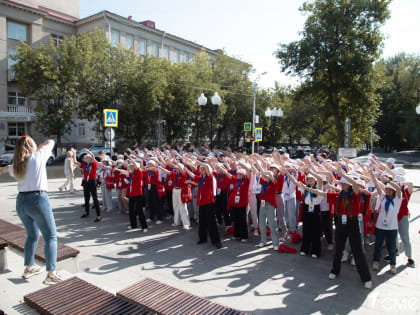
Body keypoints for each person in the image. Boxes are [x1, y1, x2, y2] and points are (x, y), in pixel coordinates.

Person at [0, 136, 62, 285]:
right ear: (31, 145)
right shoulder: (38, 156)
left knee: (32, 235)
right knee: (51, 237)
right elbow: (51, 142)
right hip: (38, 199)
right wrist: (36, 147)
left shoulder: (17, 165)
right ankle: (51, 273)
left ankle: (29, 267)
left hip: (21, 202)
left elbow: (2, 170)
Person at [303, 169, 372, 289]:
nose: (342, 185)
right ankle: (335, 271)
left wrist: (343, 175)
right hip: (341, 224)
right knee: (338, 249)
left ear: (348, 185)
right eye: (341, 183)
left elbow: (355, 185)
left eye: (344, 183)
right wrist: (308, 189)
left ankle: (366, 278)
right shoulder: (338, 195)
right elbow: (323, 193)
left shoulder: (355, 194)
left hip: (353, 223)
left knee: (358, 251)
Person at [370, 171, 402, 274]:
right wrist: (372, 175)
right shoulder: (383, 197)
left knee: (391, 246)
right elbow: (377, 185)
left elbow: (398, 189)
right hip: (380, 226)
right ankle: (376, 261)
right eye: (386, 189)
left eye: (389, 189)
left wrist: (389, 181)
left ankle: (393, 264)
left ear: (393, 191)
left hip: (392, 227)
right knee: (378, 244)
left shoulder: (397, 199)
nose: (387, 190)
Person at [185, 160, 222, 249]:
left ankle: (216, 241)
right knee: (202, 222)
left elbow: (207, 167)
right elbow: (193, 176)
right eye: (201, 169)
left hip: (209, 203)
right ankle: (203, 239)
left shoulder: (209, 177)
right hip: (201, 203)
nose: (201, 171)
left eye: (202, 169)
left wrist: (199, 162)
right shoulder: (201, 178)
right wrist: (186, 169)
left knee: (211, 223)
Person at [118, 155, 148, 232]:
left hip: (138, 194)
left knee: (139, 210)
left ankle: (144, 227)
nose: (131, 167)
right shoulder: (132, 173)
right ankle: (133, 225)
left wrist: (131, 159)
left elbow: (135, 166)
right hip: (131, 194)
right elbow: (126, 173)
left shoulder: (139, 172)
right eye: (130, 166)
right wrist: (118, 169)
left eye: (132, 166)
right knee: (131, 211)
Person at [76, 148, 102, 222]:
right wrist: (74, 154)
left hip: (92, 182)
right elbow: (76, 162)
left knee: (95, 198)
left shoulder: (93, 164)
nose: (86, 158)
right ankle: (86, 212)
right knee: (86, 198)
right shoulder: (85, 165)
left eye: (87, 157)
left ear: (90, 158)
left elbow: (93, 157)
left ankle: (99, 215)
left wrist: (88, 151)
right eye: (85, 158)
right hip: (86, 182)